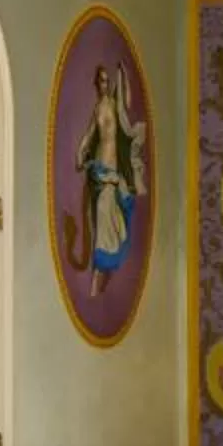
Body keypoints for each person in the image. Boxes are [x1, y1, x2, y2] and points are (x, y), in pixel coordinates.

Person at [72, 64, 148, 296]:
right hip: (101, 168)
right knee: (105, 221)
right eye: (101, 81)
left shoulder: (114, 105)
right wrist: (80, 151)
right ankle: (96, 280)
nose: (104, 84)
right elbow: (89, 133)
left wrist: (124, 76)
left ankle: (99, 281)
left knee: (114, 224)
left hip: (114, 170)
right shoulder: (98, 109)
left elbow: (127, 102)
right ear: (97, 84)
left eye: (107, 81)